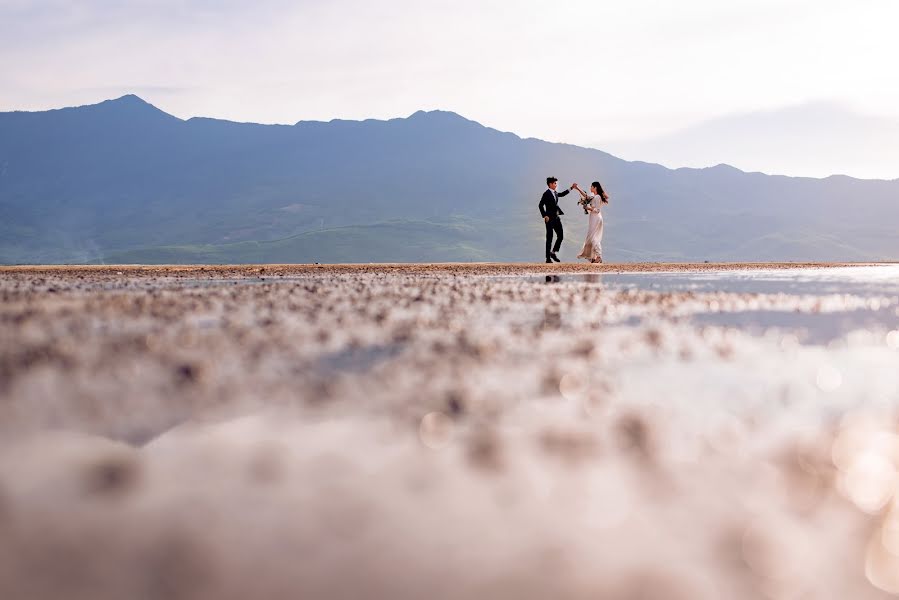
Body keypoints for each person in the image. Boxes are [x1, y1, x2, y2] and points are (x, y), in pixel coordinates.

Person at [538, 177, 575, 263]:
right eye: (554, 183)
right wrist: (544, 215)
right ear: (550, 184)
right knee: (549, 238)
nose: (556, 184)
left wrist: (571, 188)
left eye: (556, 183)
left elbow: (562, 194)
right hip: (549, 219)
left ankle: (553, 252)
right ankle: (548, 258)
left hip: (556, 218)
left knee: (561, 236)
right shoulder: (546, 193)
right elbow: (540, 205)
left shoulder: (555, 193)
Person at [573, 181, 609, 264]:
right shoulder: (595, 196)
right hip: (593, 218)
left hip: (596, 218)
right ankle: (593, 257)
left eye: (591, 187)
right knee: (590, 238)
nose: (590, 188)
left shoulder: (597, 197)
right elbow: (586, 196)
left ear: (595, 187)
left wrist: (588, 208)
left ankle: (599, 257)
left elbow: (597, 210)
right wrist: (577, 188)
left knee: (594, 238)